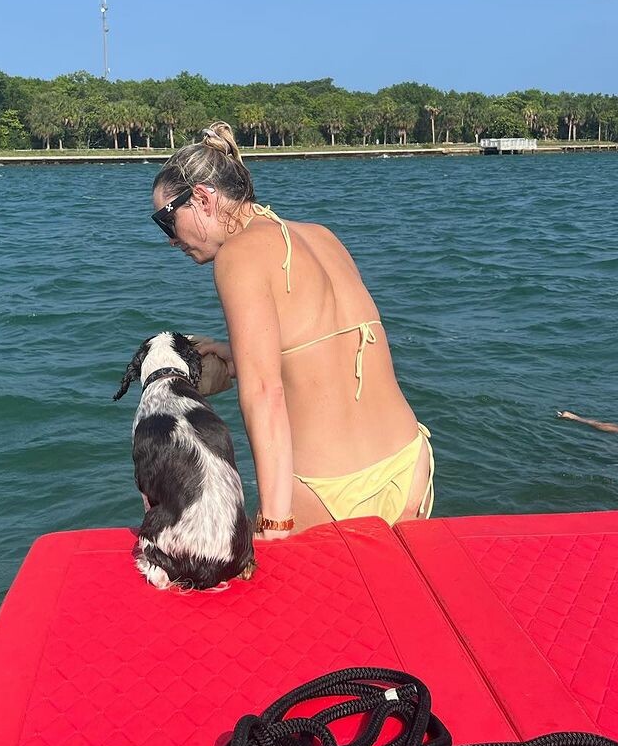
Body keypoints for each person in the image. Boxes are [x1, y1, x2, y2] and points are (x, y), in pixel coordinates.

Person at [151, 123, 434, 540]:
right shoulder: (321, 236)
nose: (171, 241)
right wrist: (236, 355)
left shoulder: (238, 256)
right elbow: (328, 345)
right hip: (408, 463)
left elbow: (266, 393)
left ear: (203, 199)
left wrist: (275, 522)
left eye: (166, 221)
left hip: (328, 490)